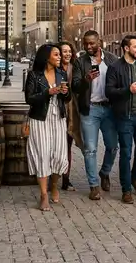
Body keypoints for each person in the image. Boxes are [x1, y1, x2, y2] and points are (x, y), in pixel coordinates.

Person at [71, 30, 119, 201]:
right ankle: (93, 185)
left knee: (113, 146)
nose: (88, 46)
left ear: (100, 42)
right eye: (85, 44)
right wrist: (86, 79)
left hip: (109, 110)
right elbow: (75, 86)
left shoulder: (112, 60)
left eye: (91, 43)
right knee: (90, 150)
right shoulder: (80, 62)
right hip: (90, 109)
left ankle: (105, 172)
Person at [105, 35, 136, 204]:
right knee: (126, 153)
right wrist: (128, 90)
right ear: (126, 48)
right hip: (125, 116)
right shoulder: (115, 67)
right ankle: (126, 190)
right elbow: (109, 92)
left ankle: (135, 178)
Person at [24, 44, 70, 211]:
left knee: (59, 155)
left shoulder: (61, 74)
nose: (60, 57)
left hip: (58, 117)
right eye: (56, 54)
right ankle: (43, 195)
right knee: (42, 155)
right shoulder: (34, 75)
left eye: (60, 54)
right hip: (39, 119)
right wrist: (48, 93)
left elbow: (68, 97)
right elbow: (29, 99)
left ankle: (54, 186)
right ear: (47, 57)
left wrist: (65, 92)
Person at [58, 41, 80, 192]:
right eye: (63, 51)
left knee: (67, 145)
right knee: (55, 145)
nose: (67, 54)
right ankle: (52, 175)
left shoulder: (75, 68)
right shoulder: (54, 69)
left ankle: (66, 179)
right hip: (57, 109)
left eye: (69, 51)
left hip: (72, 110)